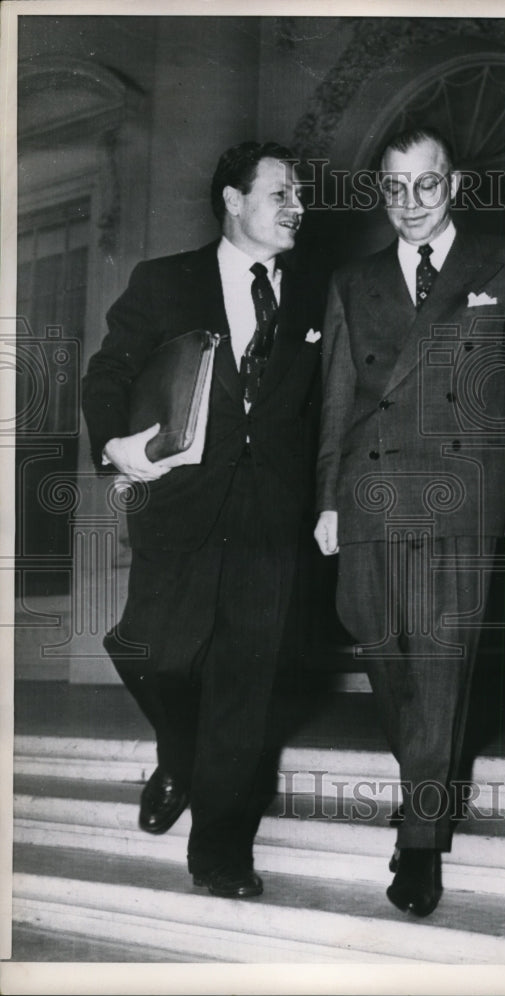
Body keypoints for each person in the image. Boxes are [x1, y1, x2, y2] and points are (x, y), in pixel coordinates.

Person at [314, 127, 505, 916]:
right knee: (384, 649)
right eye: (393, 188)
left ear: (452, 185)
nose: (409, 204)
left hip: (464, 483)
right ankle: (428, 789)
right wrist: (325, 499)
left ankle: (419, 840)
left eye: (424, 185)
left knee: (443, 660)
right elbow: (336, 400)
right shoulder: (354, 278)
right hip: (372, 486)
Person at [82, 140, 324, 899]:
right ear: (232, 199)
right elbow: (110, 372)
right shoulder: (165, 282)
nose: (298, 208)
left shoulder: (317, 294)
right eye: (280, 193)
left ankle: (220, 852)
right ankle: (181, 755)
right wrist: (116, 448)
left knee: (243, 684)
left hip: (270, 517)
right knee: (147, 648)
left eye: (301, 195)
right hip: (180, 505)